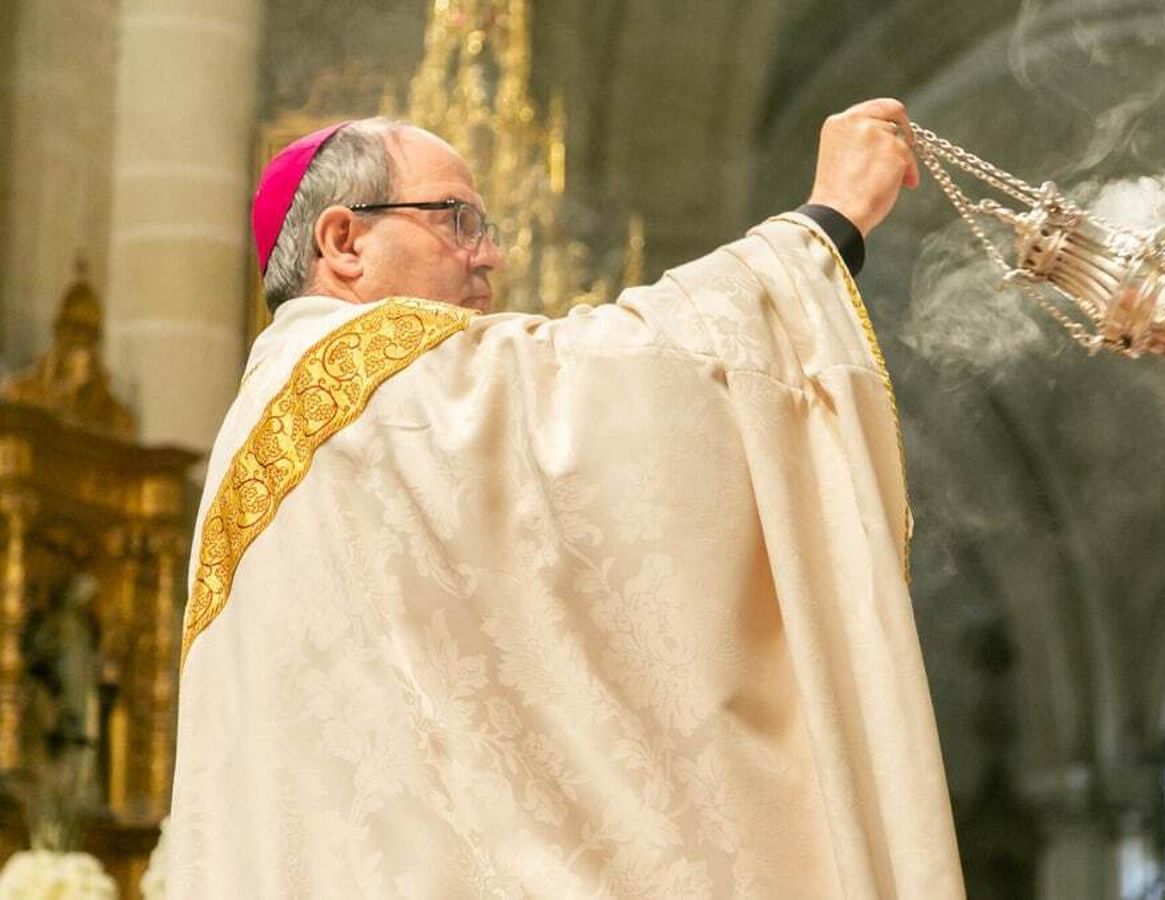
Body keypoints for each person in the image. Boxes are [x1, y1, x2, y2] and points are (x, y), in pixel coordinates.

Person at [165, 97, 966, 898]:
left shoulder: (271, 420)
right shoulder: (359, 377)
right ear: (344, 241)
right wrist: (825, 225)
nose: (490, 258)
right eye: (456, 220)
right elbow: (625, 381)